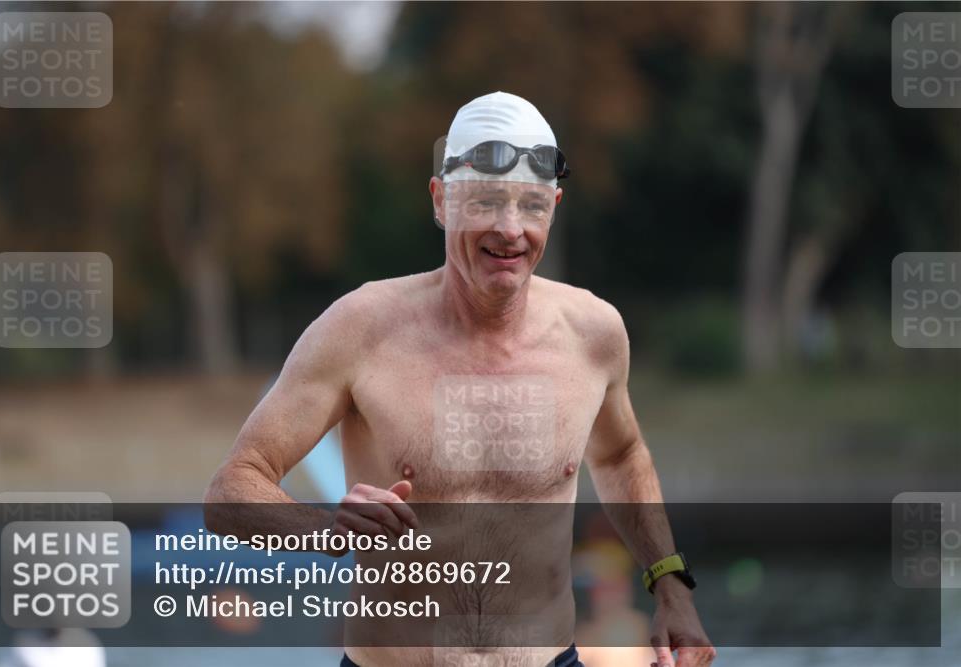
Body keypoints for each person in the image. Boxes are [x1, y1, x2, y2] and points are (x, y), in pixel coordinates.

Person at [205, 91, 715, 667]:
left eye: (531, 206)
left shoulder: (593, 334)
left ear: (554, 206)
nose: (510, 229)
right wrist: (326, 530)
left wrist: (671, 585)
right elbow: (230, 493)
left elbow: (621, 456)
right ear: (441, 201)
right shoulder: (359, 330)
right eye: (486, 202)